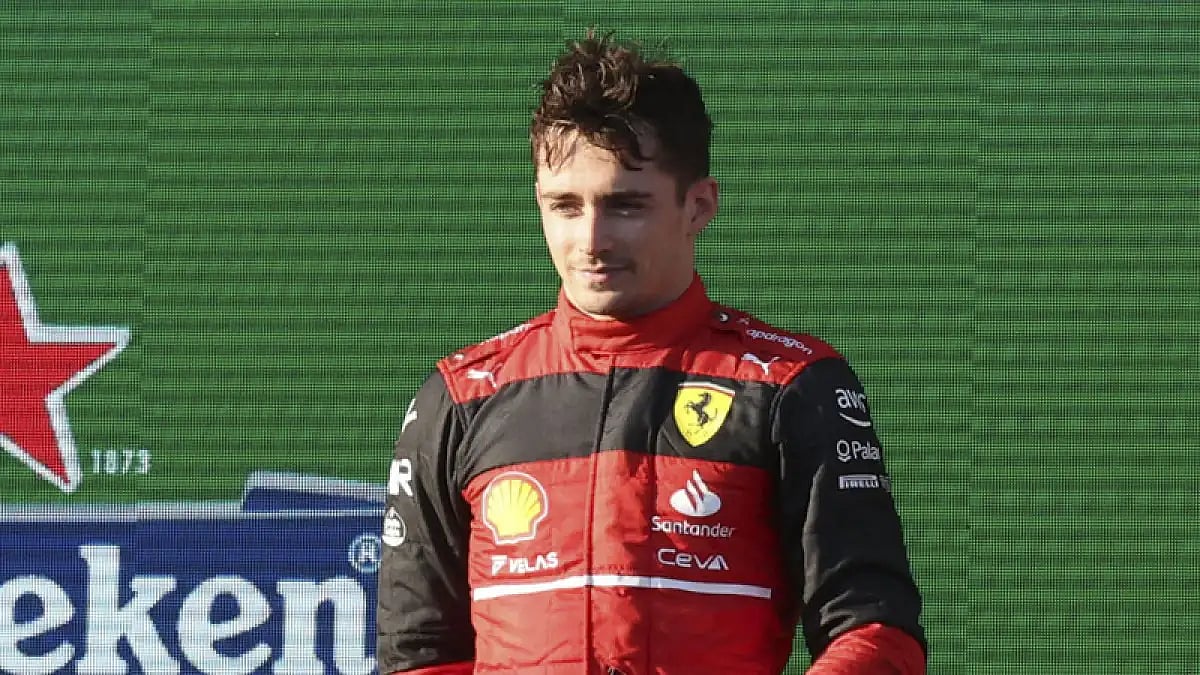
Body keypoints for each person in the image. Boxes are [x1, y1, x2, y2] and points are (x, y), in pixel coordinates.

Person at [376, 30, 927, 675]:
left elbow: (874, 631)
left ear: (699, 206)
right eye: (565, 206)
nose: (592, 239)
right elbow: (418, 655)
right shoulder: (464, 395)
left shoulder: (792, 384)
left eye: (625, 205)